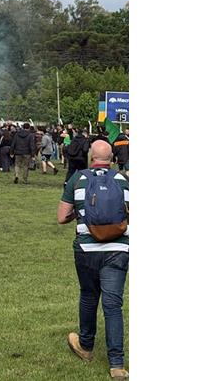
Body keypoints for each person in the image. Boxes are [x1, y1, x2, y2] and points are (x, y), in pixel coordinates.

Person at [58, 140, 129, 379]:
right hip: (118, 248)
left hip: (87, 249)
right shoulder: (122, 180)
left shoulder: (78, 179)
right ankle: (117, 364)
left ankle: (86, 346)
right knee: (113, 305)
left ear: (91, 157)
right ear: (112, 158)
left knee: (89, 296)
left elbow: (61, 217)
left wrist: (77, 215)